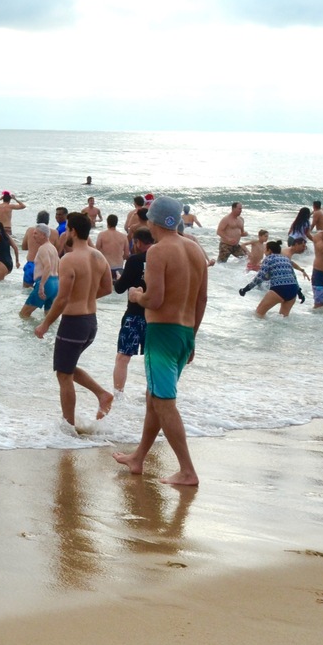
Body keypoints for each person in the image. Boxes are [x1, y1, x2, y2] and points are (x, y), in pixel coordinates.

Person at [114, 196, 207, 487]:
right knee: (154, 398)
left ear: (152, 221)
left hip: (162, 335)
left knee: (164, 402)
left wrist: (135, 296)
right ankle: (138, 457)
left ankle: (187, 471)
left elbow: (154, 299)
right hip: (183, 333)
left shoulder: (157, 252)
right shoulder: (194, 249)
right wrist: (192, 337)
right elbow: (201, 298)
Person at [33, 212, 115, 426]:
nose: (65, 233)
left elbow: (62, 299)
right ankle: (102, 394)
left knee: (63, 375)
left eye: (67, 228)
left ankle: (68, 426)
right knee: (66, 367)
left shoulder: (69, 259)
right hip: (90, 323)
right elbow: (108, 288)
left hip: (74, 323)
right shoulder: (99, 256)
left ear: (74, 231)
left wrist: (45, 324)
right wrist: (86, 296)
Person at [112, 229, 154, 392]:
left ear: (138, 242)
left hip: (135, 315)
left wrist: (117, 280)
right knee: (153, 359)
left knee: (123, 356)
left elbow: (121, 288)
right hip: (156, 316)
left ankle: (118, 395)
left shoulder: (134, 260)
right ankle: (152, 394)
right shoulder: (162, 258)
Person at [243, 240, 303, 317]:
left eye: (265, 249)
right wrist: (299, 293)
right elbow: (294, 276)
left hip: (279, 289)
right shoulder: (286, 259)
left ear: (269, 251)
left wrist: (246, 288)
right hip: (293, 290)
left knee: (259, 313)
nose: (264, 251)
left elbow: (259, 277)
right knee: (284, 318)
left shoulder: (269, 258)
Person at [20, 238, 61, 319]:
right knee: (49, 316)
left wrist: (42, 285)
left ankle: (31, 331)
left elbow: (48, 266)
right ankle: (50, 332)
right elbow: (59, 263)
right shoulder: (53, 248)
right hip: (55, 282)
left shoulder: (43, 248)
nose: (33, 236)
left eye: (36, 233)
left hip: (46, 283)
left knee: (24, 314)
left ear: (42, 235)